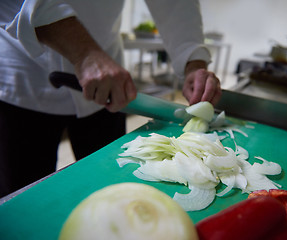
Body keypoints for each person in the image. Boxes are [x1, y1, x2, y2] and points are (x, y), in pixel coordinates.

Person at [0, 0, 222, 197]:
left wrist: (193, 61)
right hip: (24, 77)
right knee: (24, 194)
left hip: (109, 88)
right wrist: (84, 52)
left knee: (112, 184)